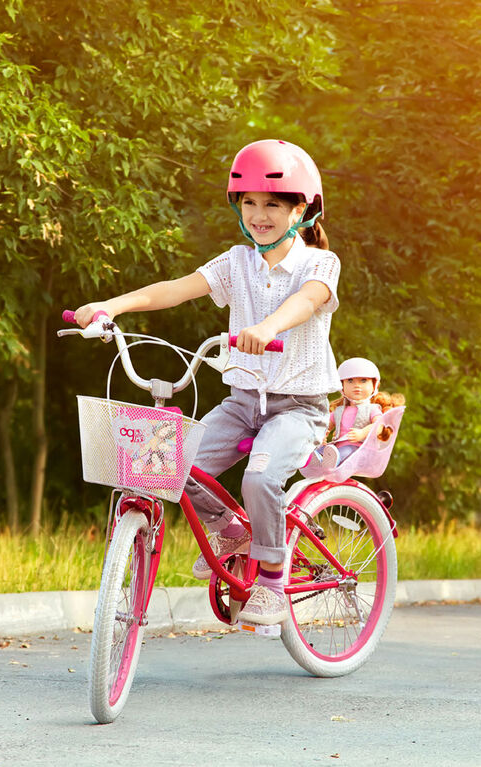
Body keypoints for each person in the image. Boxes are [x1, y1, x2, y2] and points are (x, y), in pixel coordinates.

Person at [74, 139, 341, 626]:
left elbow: (307, 300)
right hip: (243, 401)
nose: (259, 215)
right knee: (170, 466)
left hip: (298, 406)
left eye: (273, 205)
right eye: (250, 204)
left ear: (300, 210)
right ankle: (233, 529)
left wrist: (268, 328)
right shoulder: (236, 262)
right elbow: (173, 289)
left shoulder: (319, 264)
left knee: (261, 476)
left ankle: (274, 578)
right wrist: (112, 306)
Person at [307, 357, 405, 470]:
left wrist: (362, 433)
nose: (356, 385)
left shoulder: (372, 409)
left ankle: (331, 462)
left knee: (344, 451)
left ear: (374, 385)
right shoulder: (339, 411)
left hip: (358, 449)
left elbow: (379, 426)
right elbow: (326, 425)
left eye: (363, 380)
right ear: (342, 386)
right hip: (335, 448)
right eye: (350, 381)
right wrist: (321, 436)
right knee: (321, 450)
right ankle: (316, 461)